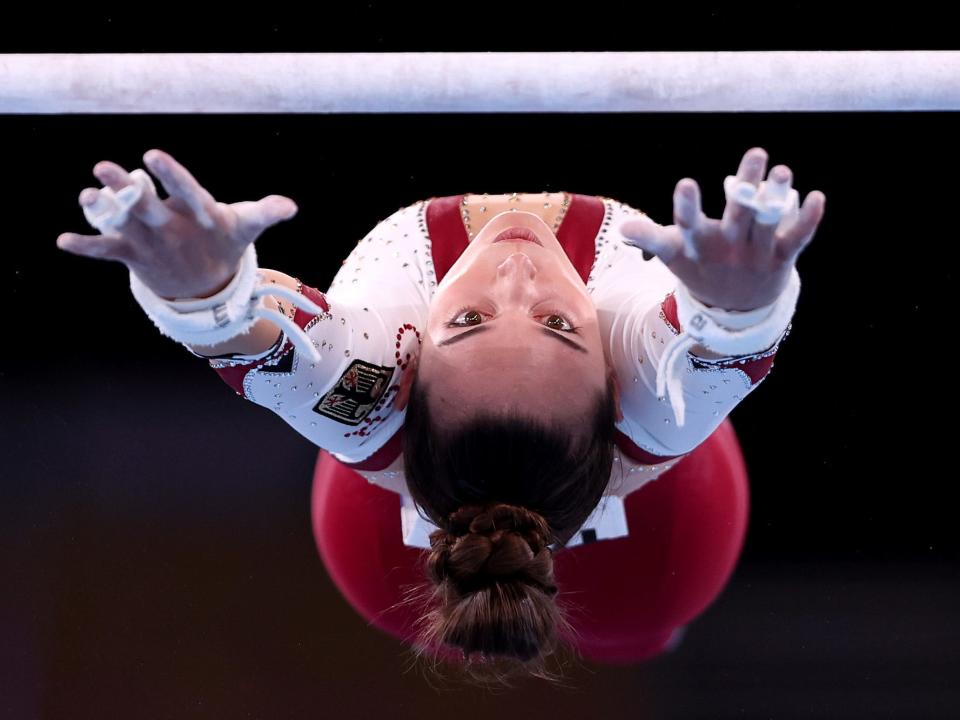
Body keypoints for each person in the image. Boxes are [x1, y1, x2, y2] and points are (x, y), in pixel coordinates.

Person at [57, 146, 825, 684]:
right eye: (560, 326)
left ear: (410, 371)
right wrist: (743, 295)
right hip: (669, 552)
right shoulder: (651, 395)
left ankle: (562, 627)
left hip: (383, 564)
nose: (517, 270)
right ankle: (652, 629)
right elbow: (726, 343)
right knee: (650, 619)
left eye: (469, 321)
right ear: (613, 383)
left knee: (548, 634)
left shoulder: (369, 388)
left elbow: (248, 337)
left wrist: (200, 288)